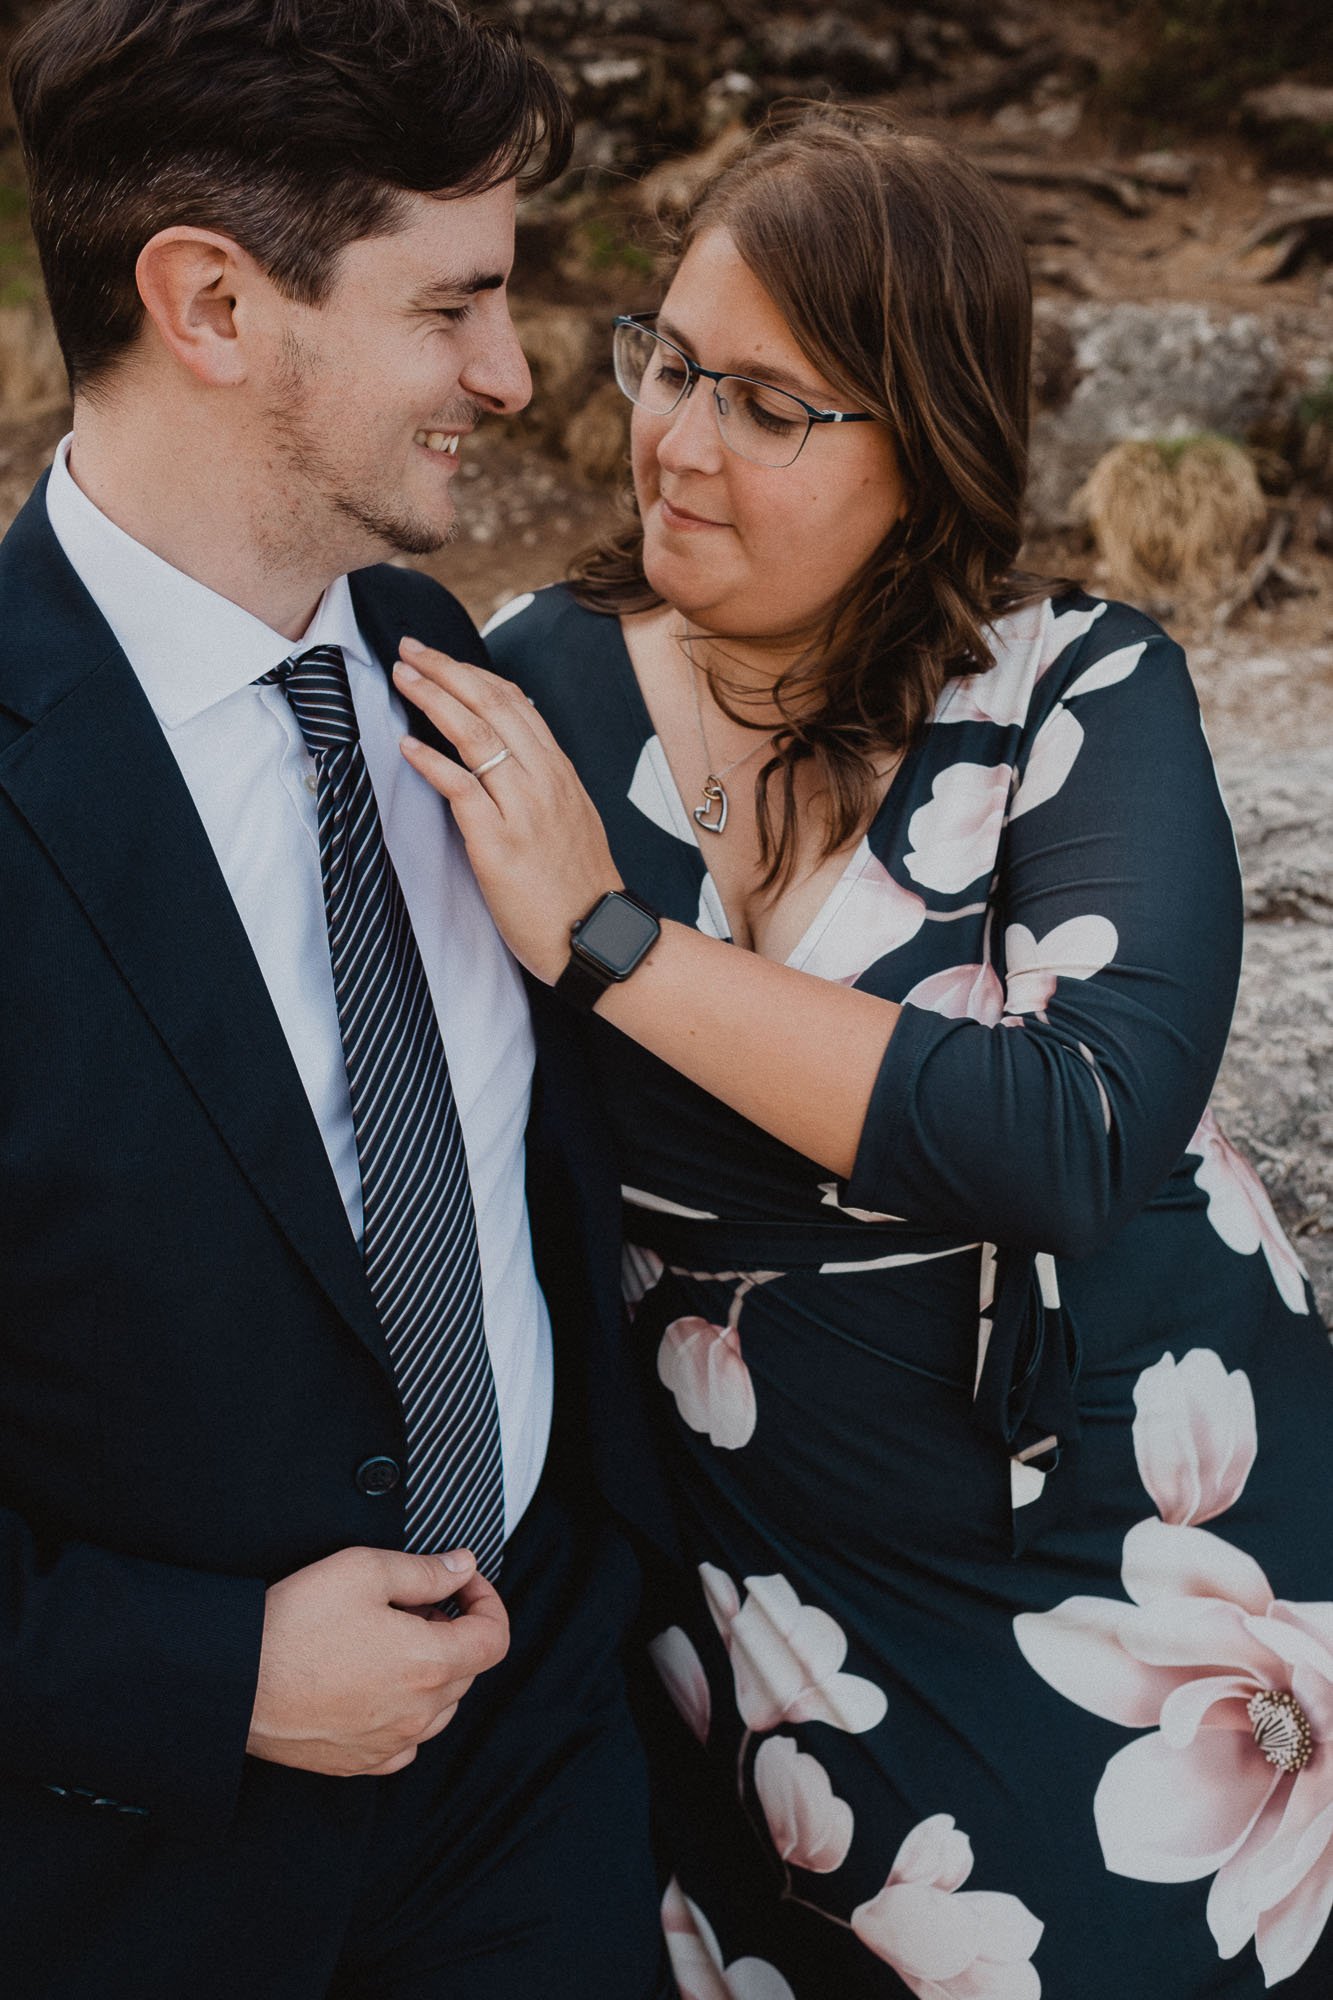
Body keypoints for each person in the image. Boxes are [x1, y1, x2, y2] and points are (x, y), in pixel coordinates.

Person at [394, 108, 1333, 1998]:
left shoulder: (1074, 686)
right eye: (665, 360)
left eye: (765, 402)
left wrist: (614, 941)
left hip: (1141, 1516)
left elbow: (1069, 1129)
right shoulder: (526, 694)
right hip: (757, 1566)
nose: (672, 435)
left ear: (926, 442)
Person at [0, 3, 670, 1995]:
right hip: (136, 1872)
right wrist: (210, 1675)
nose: (515, 370)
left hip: (538, 1758)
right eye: (450, 304)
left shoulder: (423, 648)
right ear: (210, 302)